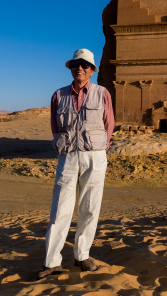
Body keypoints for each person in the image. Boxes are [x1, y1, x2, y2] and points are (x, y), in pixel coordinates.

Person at [37, 49, 115, 280]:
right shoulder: (58, 95)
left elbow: (109, 122)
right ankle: (52, 262)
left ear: (92, 70)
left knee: (89, 207)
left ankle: (82, 255)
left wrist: (102, 145)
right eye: (75, 64)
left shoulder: (102, 93)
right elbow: (54, 124)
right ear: (71, 68)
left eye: (84, 65)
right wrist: (60, 143)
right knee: (60, 209)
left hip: (95, 155)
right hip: (68, 156)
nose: (79, 68)